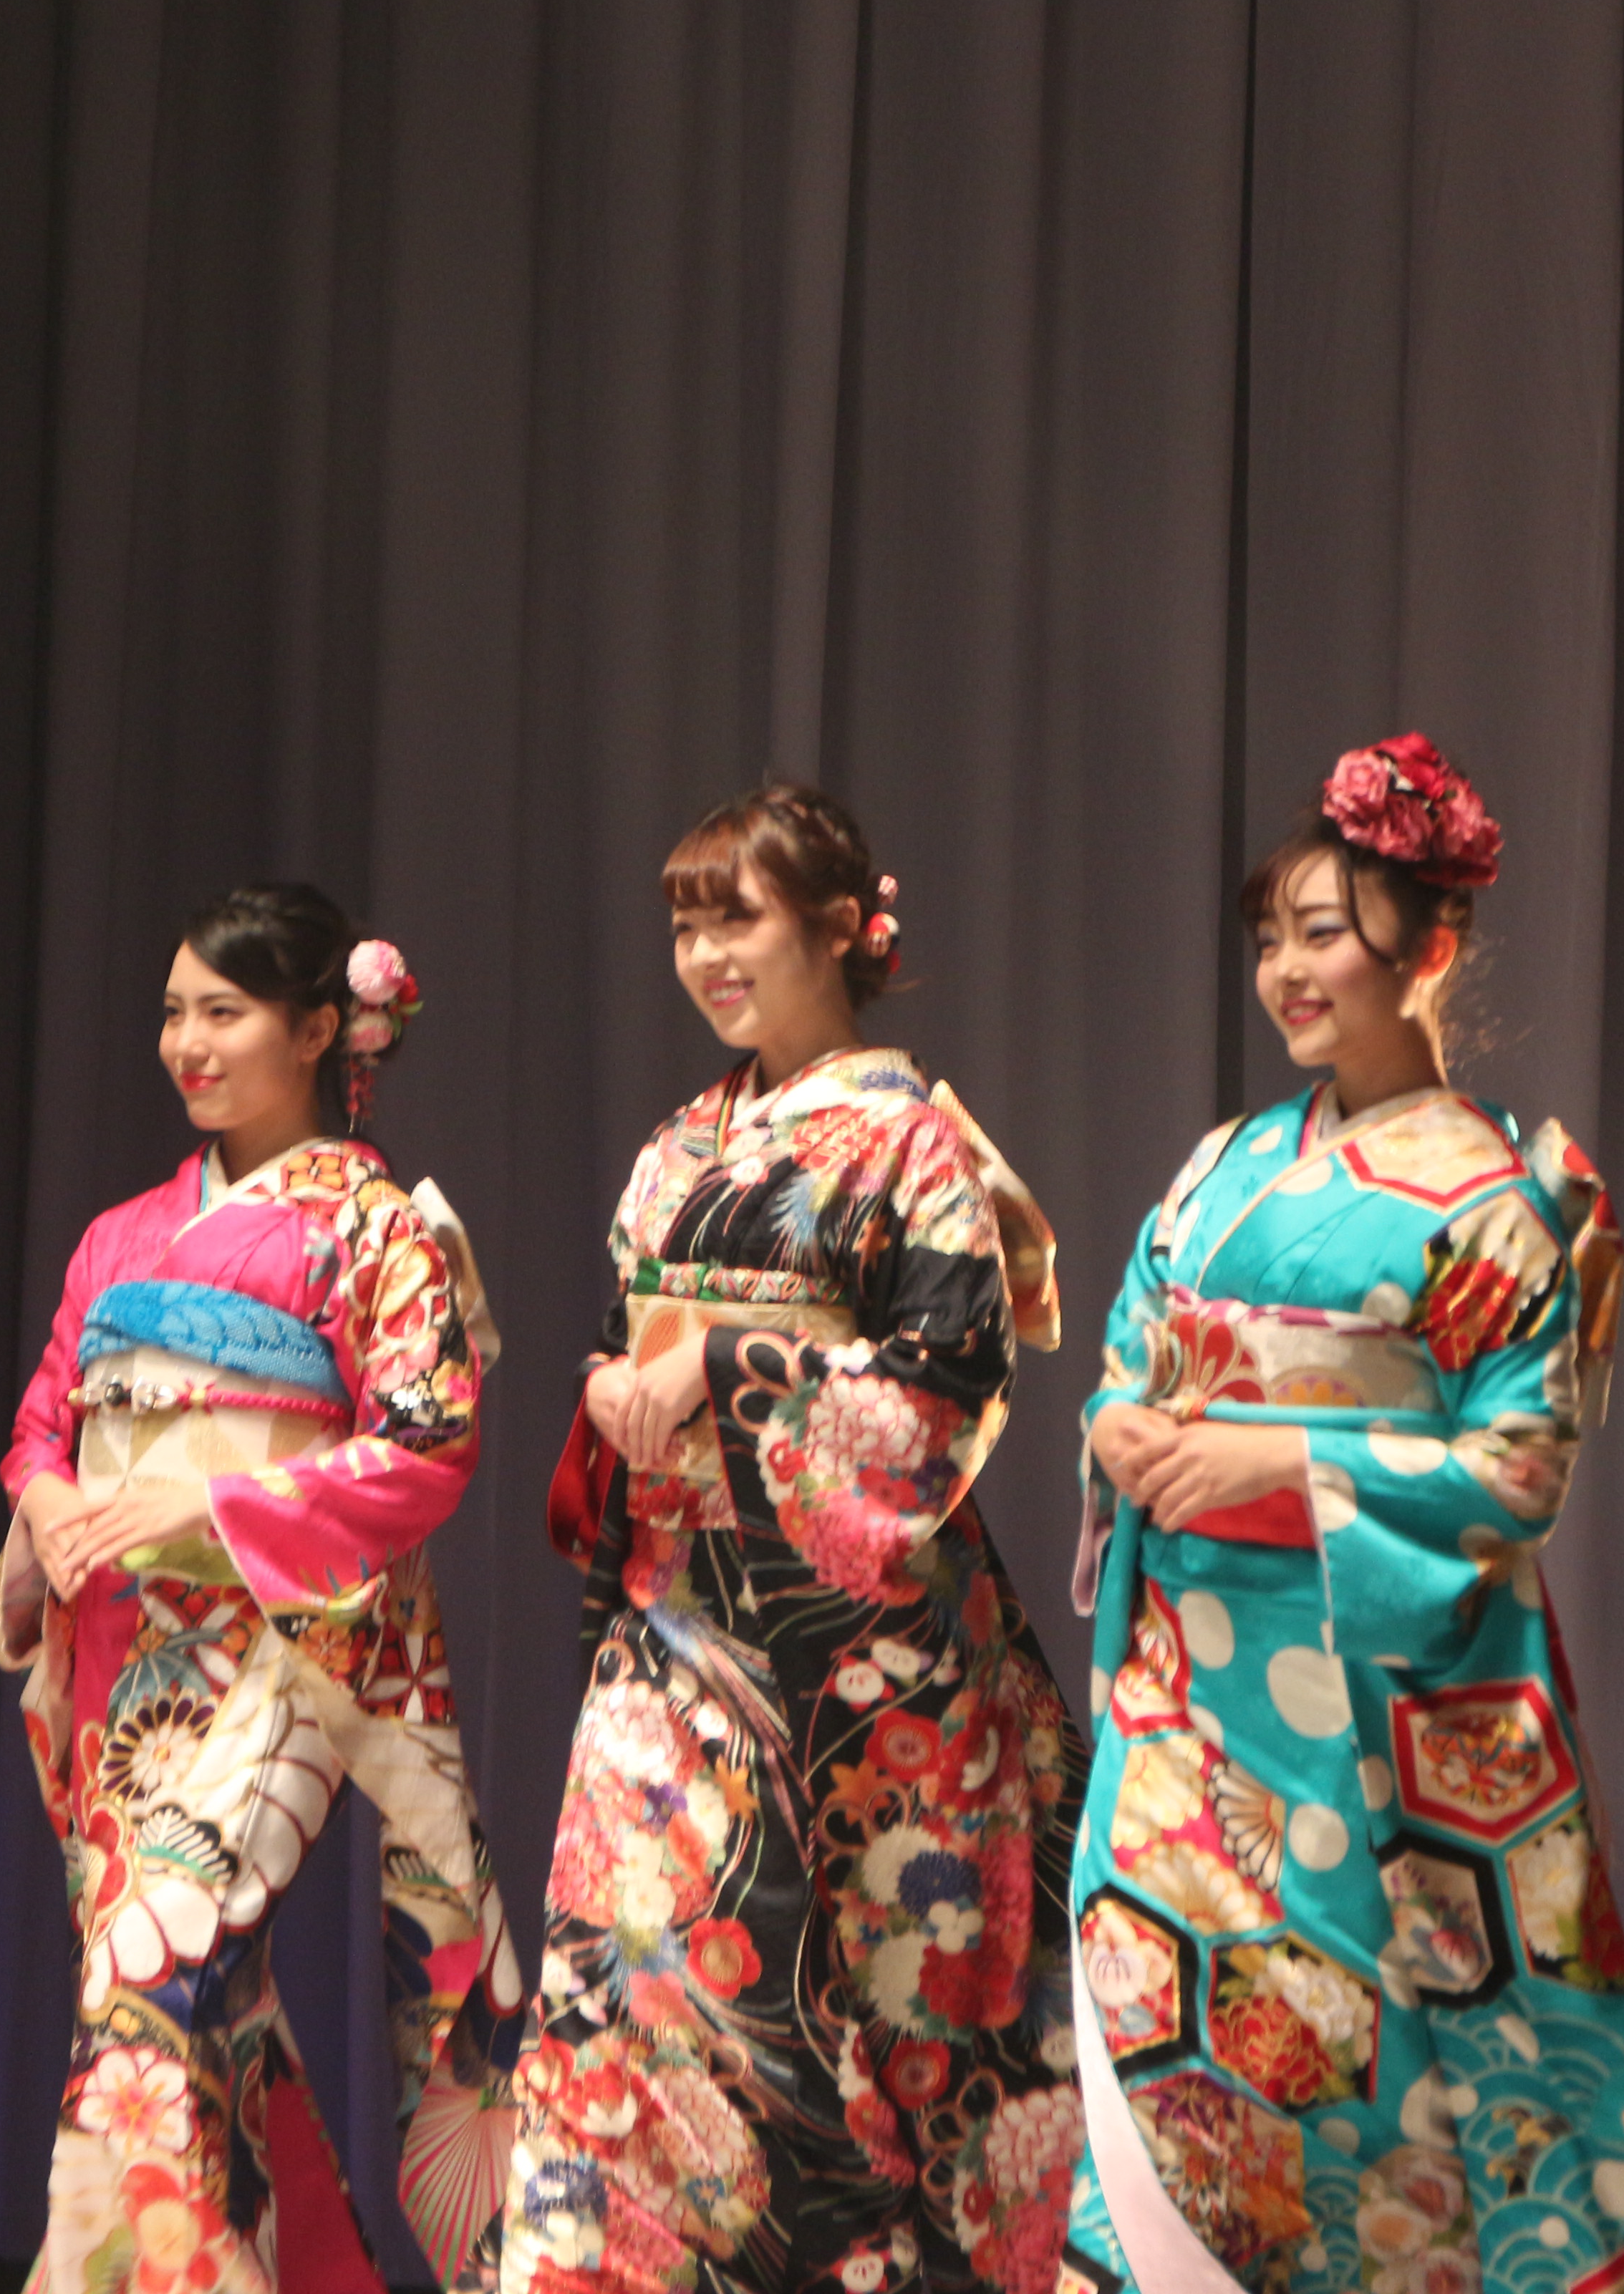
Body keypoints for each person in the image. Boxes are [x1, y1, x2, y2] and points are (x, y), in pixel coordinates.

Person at [1060, 737, 1624, 2294]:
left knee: (1368, 2067)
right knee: (1155, 2014)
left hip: (1379, 1709)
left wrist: (1282, 1466)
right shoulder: (1219, 1166)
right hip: (1187, 1693)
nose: (1285, 971)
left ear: (1432, 948)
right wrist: (1120, 1424)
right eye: (1271, 936)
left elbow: (1518, 1469)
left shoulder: (1495, 1198)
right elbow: (1132, 1359)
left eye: (1323, 933)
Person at [494, 783, 1086, 2294]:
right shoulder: (676, 1146)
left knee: (883, 2033)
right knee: (619, 1999)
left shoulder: (912, 1144)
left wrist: (733, 1365)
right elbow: (626, 1337)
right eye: (684, 925)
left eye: (736, 918)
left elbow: (948, 1396)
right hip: (672, 1639)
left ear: (837, 928)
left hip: (862, 1670)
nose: (704, 955)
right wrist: (617, 1386)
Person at [0, 884, 524, 2294]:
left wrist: (208, 1505)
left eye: (222, 1013)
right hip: (122, 1660)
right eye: (174, 1012)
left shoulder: (379, 1230)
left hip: (283, 1650)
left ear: (319, 1030)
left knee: (151, 1981)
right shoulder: (118, 1234)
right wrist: (48, 1497)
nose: (187, 1043)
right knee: (191, 2008)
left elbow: (426, 1446)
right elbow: (44, 1422)